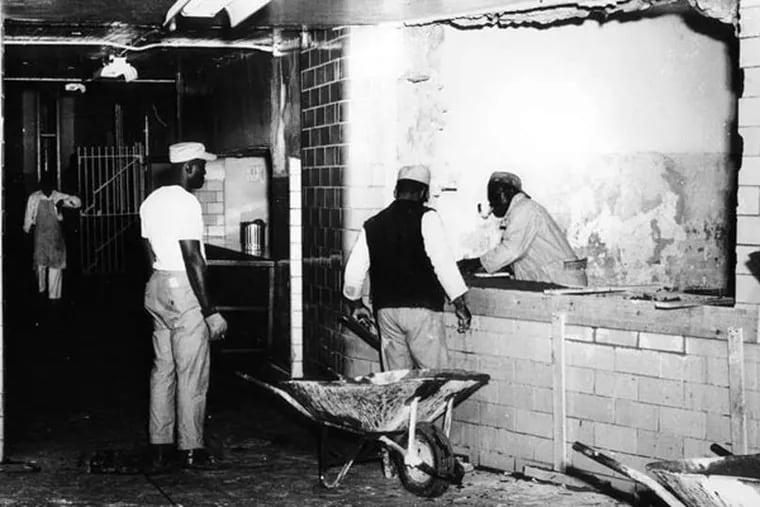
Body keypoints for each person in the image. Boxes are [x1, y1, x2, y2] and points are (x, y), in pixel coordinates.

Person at [140, 141, 228, 471]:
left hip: (157, 285)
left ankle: (159, 445)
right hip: (183, 287)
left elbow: (148, 250)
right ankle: (190, 447)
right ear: (188, 167)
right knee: (191, 371)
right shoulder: (186, 203)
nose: (204, 172)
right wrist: (210, 311)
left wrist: (162, 281)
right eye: (201, 166)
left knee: (163, 370)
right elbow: (194, 258)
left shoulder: (151, 201)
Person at [343, 165, 472, 371]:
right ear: (424, 193)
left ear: (395, 191)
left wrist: (356, 305)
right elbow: (443, 263)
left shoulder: (373, 224)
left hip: (386, 312)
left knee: (396, 380)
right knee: (433, 378)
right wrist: (460, 304)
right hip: (422, 311)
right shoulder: (428, 217)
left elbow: (354, 271)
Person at [458, 171, 587, 287]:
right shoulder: (522, 211)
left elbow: (511, 251)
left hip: (563, 282)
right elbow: (517, 256)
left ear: (507, 194)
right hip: (558, 280)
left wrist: (474, 263)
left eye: (494, 198)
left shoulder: (524, 209)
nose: (492, 204)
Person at [23, 171, 81, 304]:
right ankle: (41, 292)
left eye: (50, 184)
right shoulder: (34, 198)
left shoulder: (58, 196)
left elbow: (77, 203)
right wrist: (27, 232)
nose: (47, 187)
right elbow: (27, 219)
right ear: (41, 184)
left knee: (56, 267)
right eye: (44, 183)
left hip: (56, 239)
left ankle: (54, 299)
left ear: (53, 185)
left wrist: (64, 202)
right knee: (40, 267)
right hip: (40, 238)